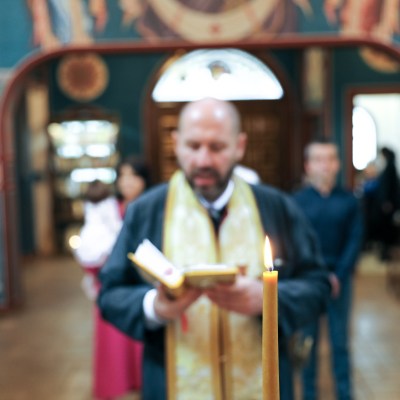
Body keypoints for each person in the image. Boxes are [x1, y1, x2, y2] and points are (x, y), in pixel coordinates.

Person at [98, 98, 331, 400]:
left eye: (217, 147)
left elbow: (318, 285)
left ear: (239, 146)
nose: (203, 159)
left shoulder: (275, 207)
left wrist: (266, 299)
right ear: (176, 143)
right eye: (193, 146)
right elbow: (110, 294)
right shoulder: (146, 211)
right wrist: (155, 306)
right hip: (172, 381)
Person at [292, 138, 364, 400]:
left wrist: (339, 275)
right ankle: (309, 394)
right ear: (308, 165)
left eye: (330, 159)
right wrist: (315, 275)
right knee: (307, 343)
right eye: (318, 159)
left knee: (340, 342)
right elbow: (296, 243)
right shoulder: (296, 202)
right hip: (309, 282)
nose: (325, 165)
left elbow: (355, 240)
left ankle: (345, 394)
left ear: (338, 164)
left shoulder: (349, 201)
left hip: (339, 281)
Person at [74, 157, 150, 400]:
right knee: (115, 346)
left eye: (133, 176)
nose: (127, 182)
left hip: (144, 288)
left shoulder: (152, 207)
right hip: (114, 286)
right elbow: (91, 248)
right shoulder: (108, 210)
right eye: (123, 176)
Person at [374, 147, 400, 260]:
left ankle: (386, 252)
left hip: (388, 206)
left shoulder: (390, 168)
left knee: (386, 229)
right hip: (386, 205)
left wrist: (386, 202)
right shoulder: (388, 167)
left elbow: (389, 188)